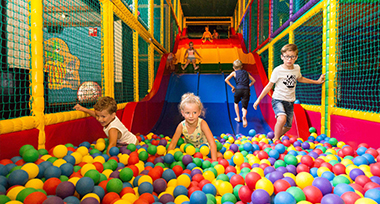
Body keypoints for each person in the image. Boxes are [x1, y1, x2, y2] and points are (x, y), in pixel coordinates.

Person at [253, 44, 325, 140]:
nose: (289, 59)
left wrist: (317, 82)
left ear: (296, 57)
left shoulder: (297, 68)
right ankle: (275, 141)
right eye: (287, 57)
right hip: (278, 99)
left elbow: (300, 78)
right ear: (282, 57)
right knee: (282, 118)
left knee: (287, 126)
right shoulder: (277, 70)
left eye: (292, 57)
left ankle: (275, 137)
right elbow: (269, 85)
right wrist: (258, 100)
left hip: (290, 101)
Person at [73, 96, 138, 156]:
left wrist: (107, 159)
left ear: (113, 115)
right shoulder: (110, 116)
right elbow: (95, 114)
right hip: (122, 143)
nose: (99, 119)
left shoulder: (113, 128)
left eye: (103, 116)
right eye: (98, 116)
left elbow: (112, 145)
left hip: (131, 144)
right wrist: (83, 109)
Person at [167, 93, 221, 161]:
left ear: (199, 112)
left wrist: (214, 161)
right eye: (187, 113)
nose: (191, 116)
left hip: (204, 150)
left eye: (194, 112)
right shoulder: (181, 126)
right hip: (190, 151)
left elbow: (212, 143)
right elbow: (173, 144)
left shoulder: (202, 124)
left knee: (219, 155)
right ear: (183, 113)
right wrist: (168, 158)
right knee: (180, 157)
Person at [225, 59, 256, 128]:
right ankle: (244, 116)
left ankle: (238, 118)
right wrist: (248, 85)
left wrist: (233, 87)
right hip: (246, 90)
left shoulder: (234, 73)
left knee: (236, 103)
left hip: (238, 89)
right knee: (244, 107)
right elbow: (253, 80)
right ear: (241, 66)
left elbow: (226, 79)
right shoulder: (246, 73)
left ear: (234, 67)